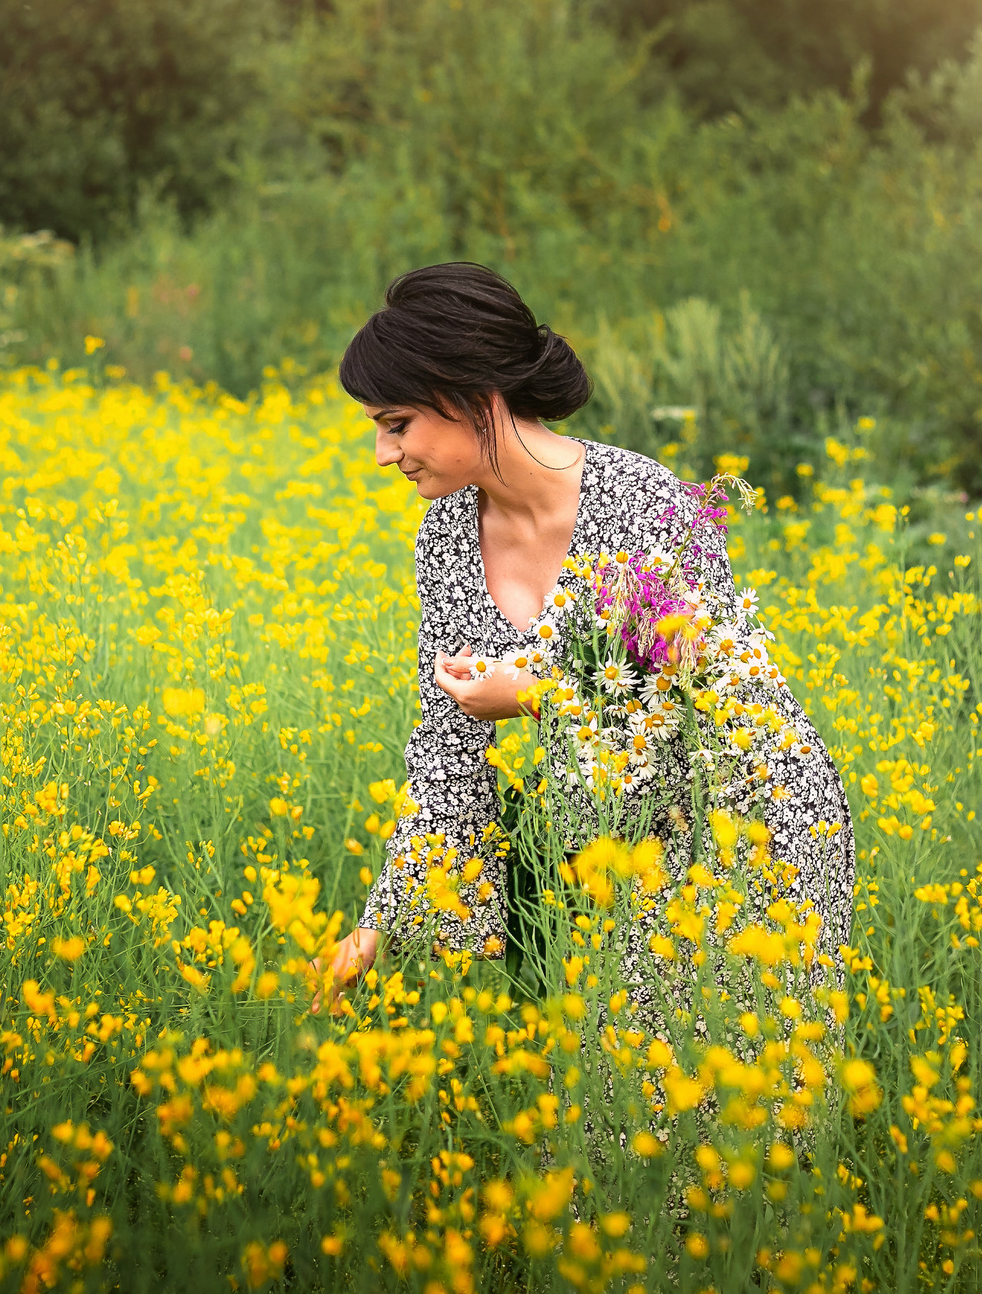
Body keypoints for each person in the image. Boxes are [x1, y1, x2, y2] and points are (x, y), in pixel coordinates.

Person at [312, 263, 854, 1013]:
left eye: (395, 423)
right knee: (612, 1111)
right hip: (614, 852)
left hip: (747, 832)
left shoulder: (643, 501)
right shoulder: (443, 536)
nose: (381, 453)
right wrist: (374, 930)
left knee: (730, 1108)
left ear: (471, 397)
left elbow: (722, 699)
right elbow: (445, 745)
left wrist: (539, 692)